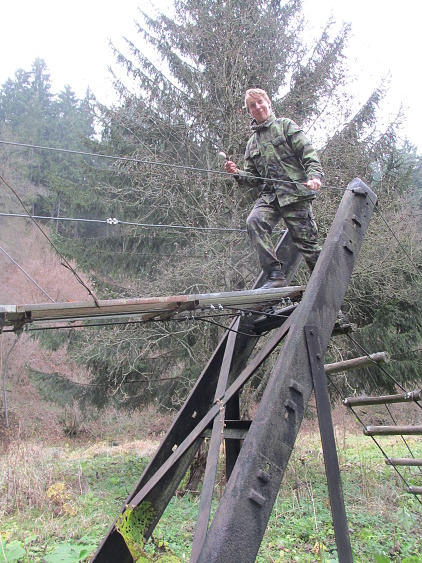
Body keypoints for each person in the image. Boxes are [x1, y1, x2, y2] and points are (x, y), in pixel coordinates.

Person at [225, 88, 324, 289]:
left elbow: (308, 153)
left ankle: (327, 292)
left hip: (295, 195)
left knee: (310, 248)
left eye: (260, 102)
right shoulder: (252, 143)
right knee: (254, 221)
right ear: (249, 112)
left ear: (268, 103)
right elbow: (253, 178)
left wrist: (314, 176)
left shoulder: (285, 126)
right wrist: (236, 173)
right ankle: (275, 275)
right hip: (271, 198)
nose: (258, 107)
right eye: (252, 106)